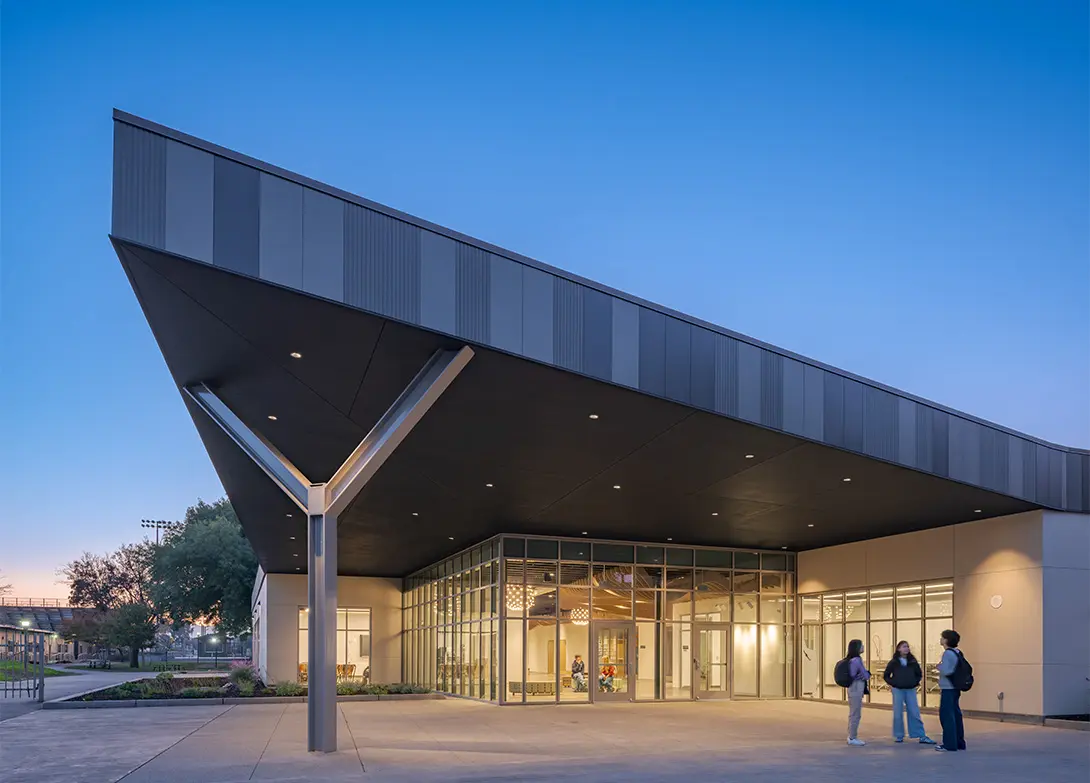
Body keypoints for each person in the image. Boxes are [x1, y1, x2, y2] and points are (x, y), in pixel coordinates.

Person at [883, 641, 936, 744]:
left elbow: (919, 674)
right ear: (899, 649)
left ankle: (920, 735)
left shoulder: (912, 661)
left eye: (907, 646)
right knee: (898, 713)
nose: (906, 648)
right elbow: (886, 675)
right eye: (904, 647)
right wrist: (893, 683)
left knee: (914, 712)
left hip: (910, 689)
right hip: (898, 689)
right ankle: (899, 735)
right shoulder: (894, 662)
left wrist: (915, 682)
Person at [935, 629, 967, 752]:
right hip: (955, 687)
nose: (941, 639)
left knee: (947, 716)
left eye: (942, 637)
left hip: (948, 687)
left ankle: (949, 744)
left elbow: (947, 670)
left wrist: (939, 667)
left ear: (946, 640)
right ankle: (959, 742)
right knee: (956, 714)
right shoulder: (958, 652)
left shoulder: (947, 654)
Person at [845, 639, 870, 746]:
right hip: (856, 688)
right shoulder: (857, 660)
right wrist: (867, 673)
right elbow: (866, 675)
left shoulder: (850, 660)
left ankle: (851, 735)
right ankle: (852, 737)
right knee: (856, 714)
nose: (863, 647)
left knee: (852, 713)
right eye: (861, 645)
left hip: (852, 688)